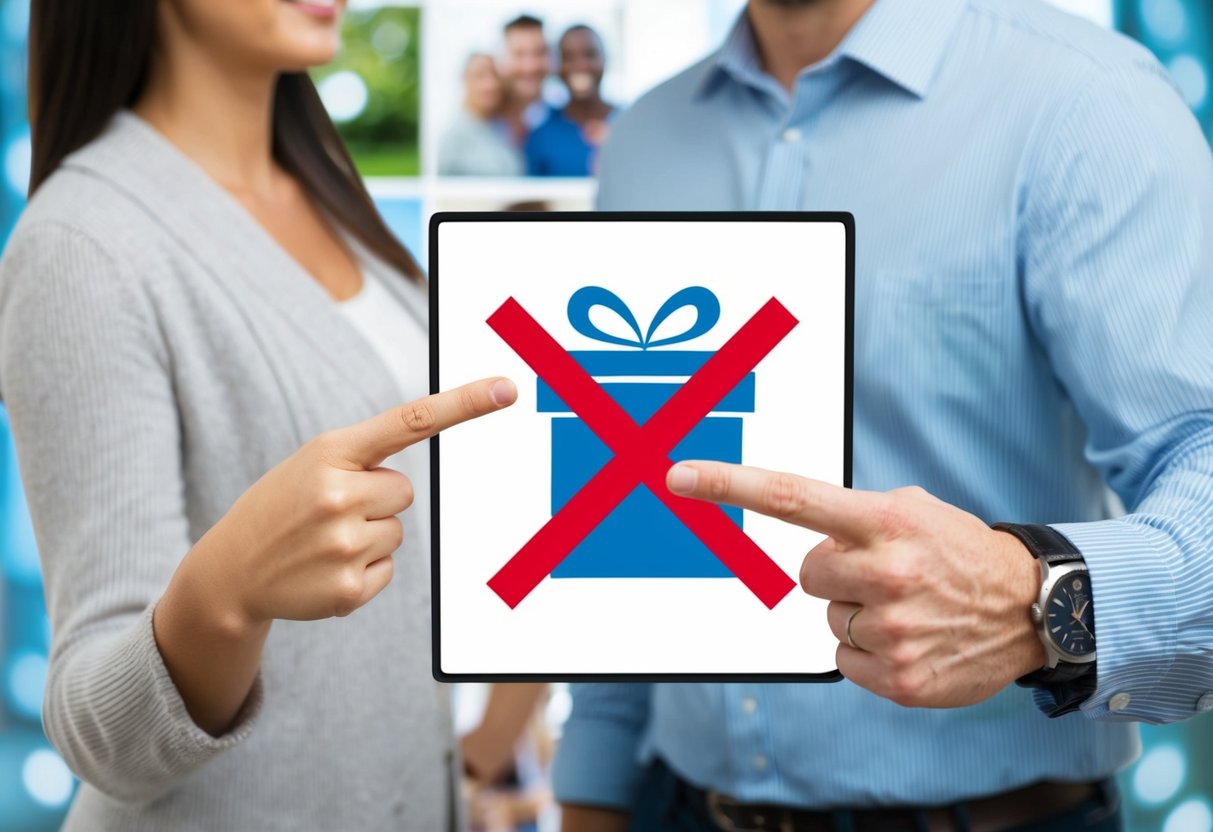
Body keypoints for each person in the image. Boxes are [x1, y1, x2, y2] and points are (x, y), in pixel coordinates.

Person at [554, 0, 1213, 830]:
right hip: (668, 804)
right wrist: (592, 785)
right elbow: (628, 508)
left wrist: (1032, 597)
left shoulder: (1085, 100)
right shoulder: (648, 136)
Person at [0, 1, 516, 830]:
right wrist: (229, 592)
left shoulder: (328, 190)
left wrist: (473, 760)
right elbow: (100, 738)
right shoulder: (81, 244)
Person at [525, 25, 615, 177]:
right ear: (557, 66)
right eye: (568, 57)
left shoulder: (629, 124)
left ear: (605, 59)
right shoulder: (541, 137)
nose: (581, 65)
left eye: (590, 55)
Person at [438, 52, 524, 176]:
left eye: (495, 75)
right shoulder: (451, 139)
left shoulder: (503, 129)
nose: (491, 85)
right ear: (465, 81)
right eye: (480, 76)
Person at [498, 14, 551, 149]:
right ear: (500, 60)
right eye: (518, 54)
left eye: (539, 53)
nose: (530, 67)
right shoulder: (480, 122)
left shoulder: (560, 116)